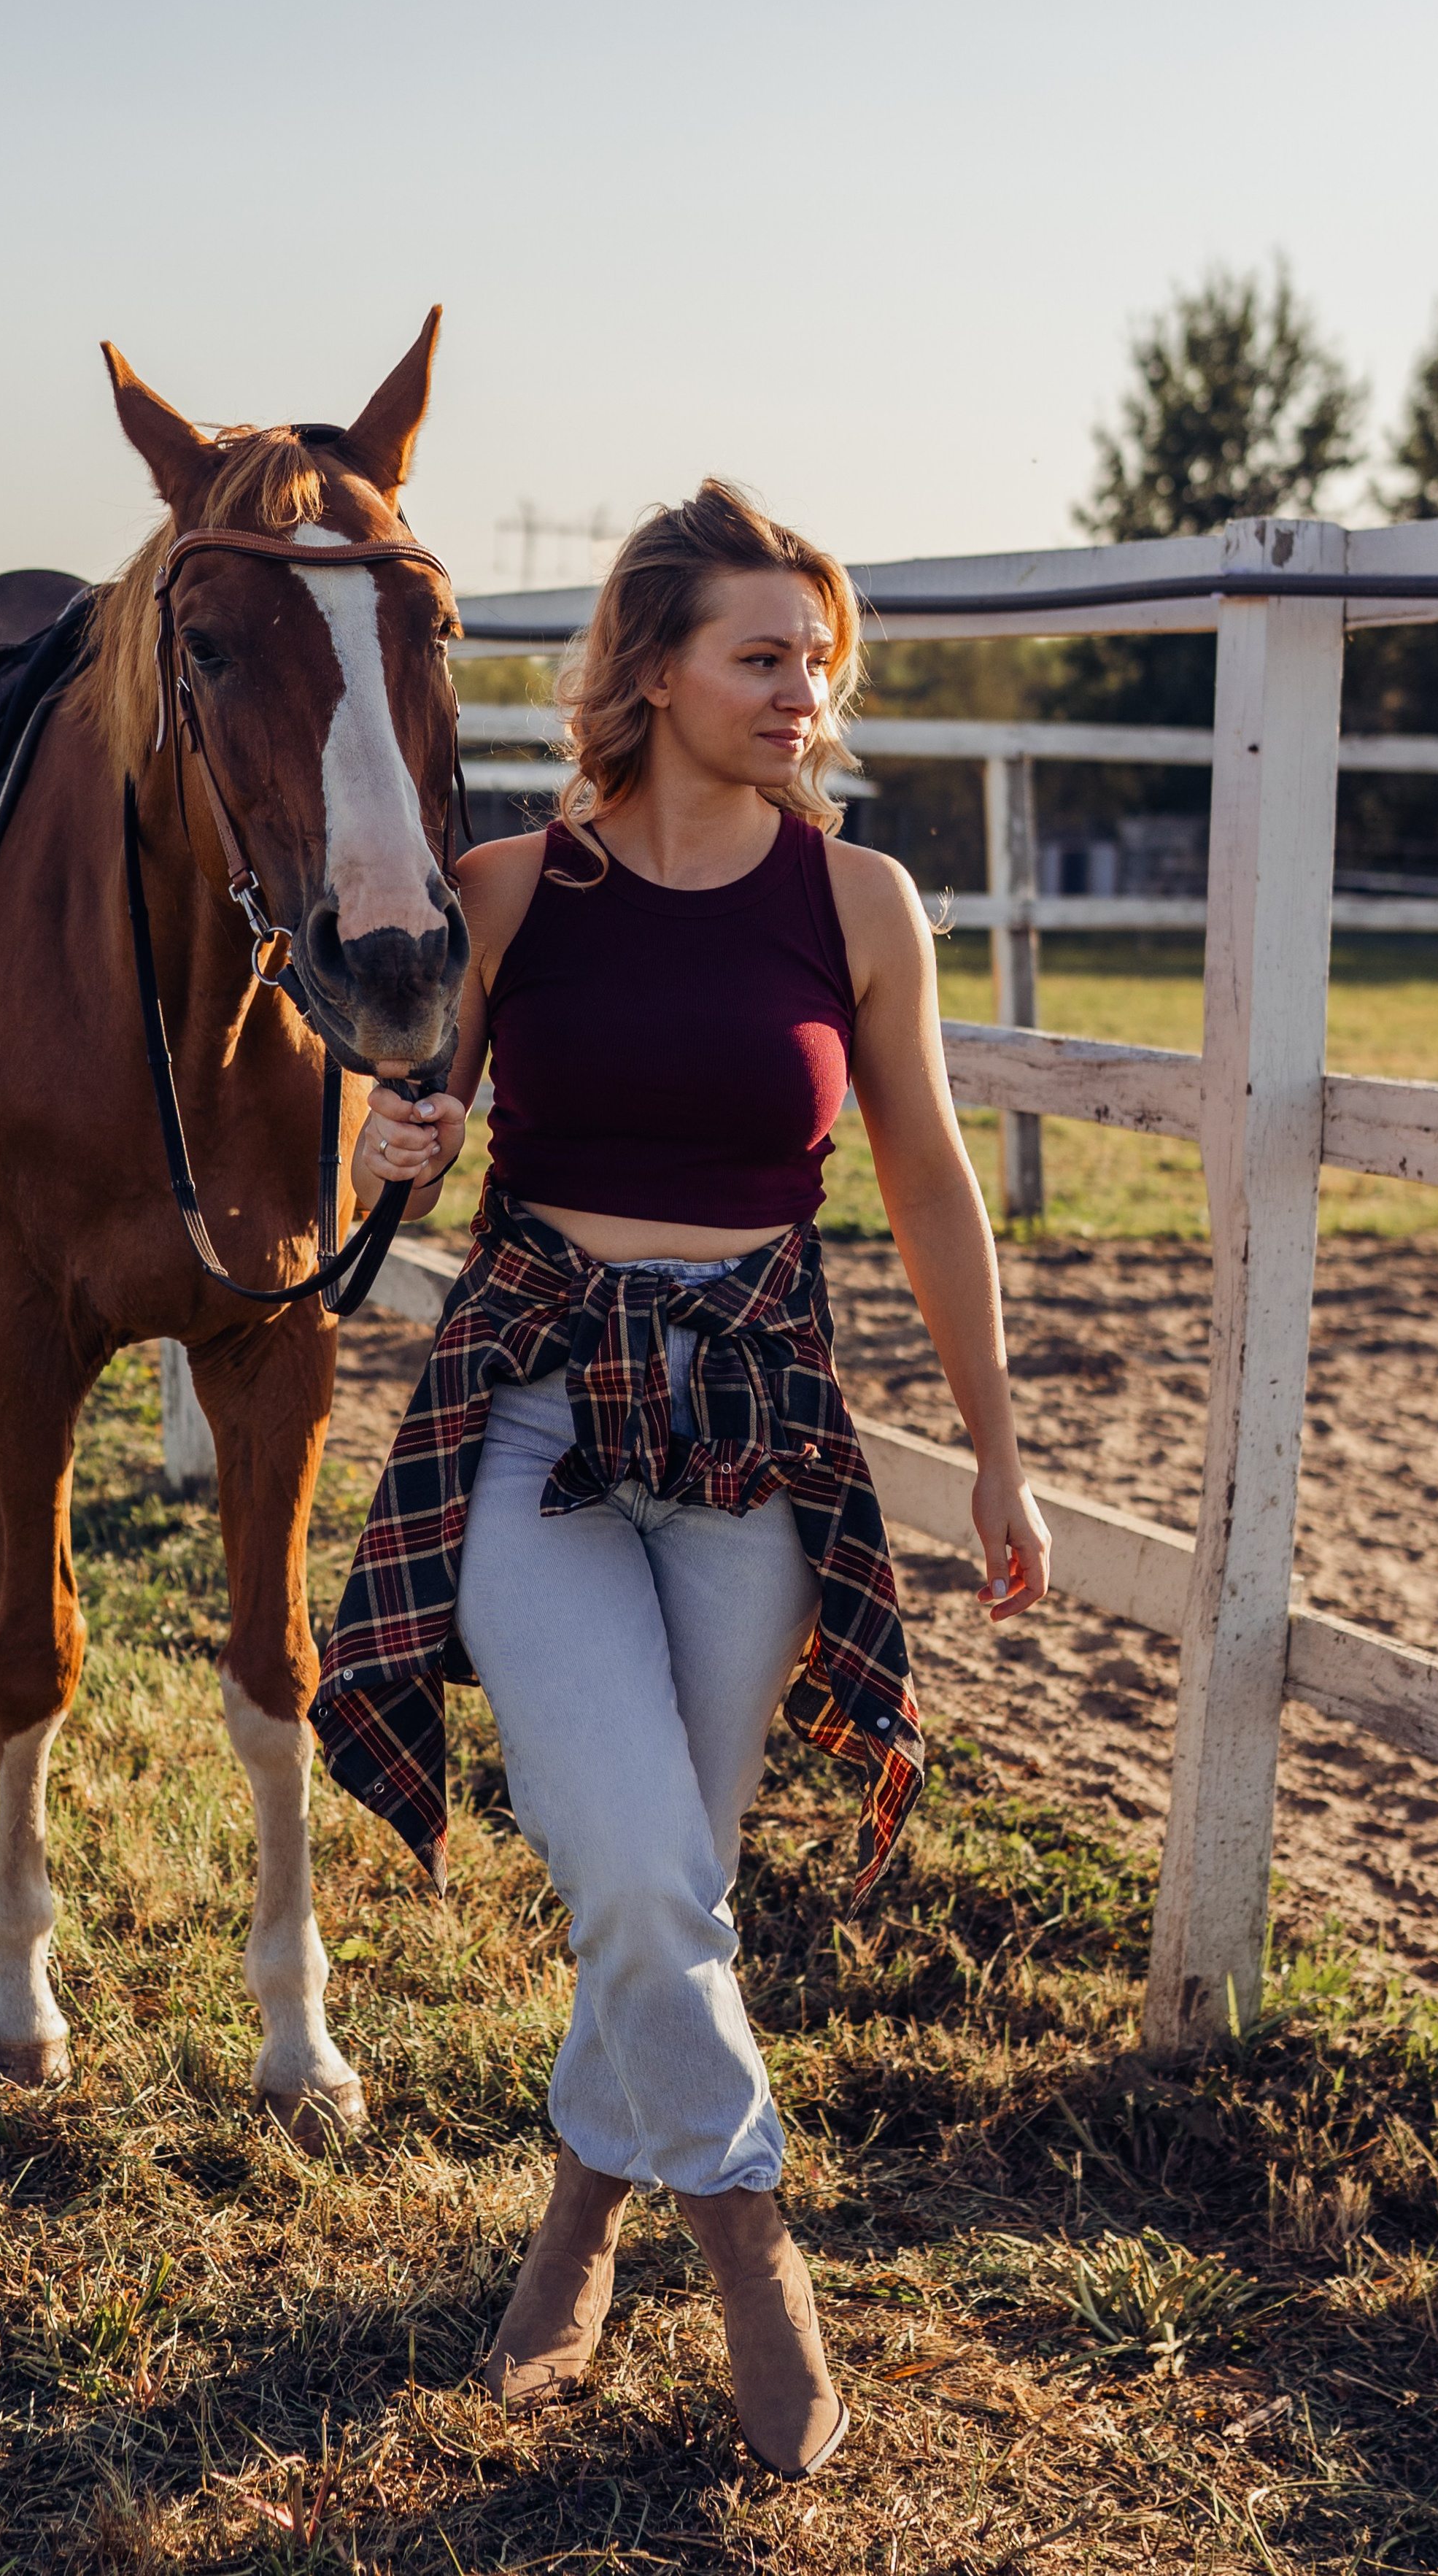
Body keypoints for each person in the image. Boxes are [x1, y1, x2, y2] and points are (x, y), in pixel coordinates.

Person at [318, 480, 1049, 2480]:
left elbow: (924, 1179)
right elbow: (399, 1112)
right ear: (642, 673)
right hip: (536, 1411)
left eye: (820, 660)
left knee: (680, 1884)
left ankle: (574, 2217)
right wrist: (385, 1143)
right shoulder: (505, 889)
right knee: (639, 1861)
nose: (804, 694)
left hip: (755, 1421)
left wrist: (993, 1447)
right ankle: (753, 2246)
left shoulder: (860, 902)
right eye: (762, 656)